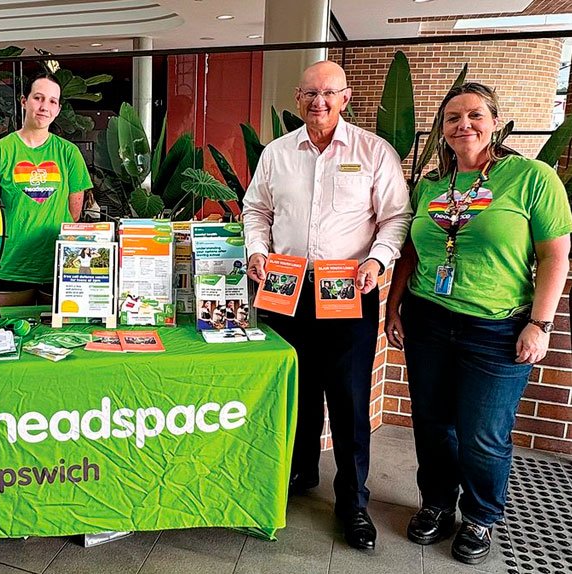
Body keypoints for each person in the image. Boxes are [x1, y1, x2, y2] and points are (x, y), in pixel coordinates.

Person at [385, 82, 572, 565]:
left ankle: (482, 516)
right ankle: (438, 505)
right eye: (452, 118)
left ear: (494, 121)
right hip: (428, 319)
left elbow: (555, 256)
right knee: (431, 423)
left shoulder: (531, 178)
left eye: (473, 115)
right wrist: (393, 308)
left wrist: (541, 324)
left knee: (483, 433)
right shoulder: (430, 185)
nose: (463, 125)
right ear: (442, 129)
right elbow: (410, 252)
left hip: (496, 328)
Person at [243, 60, 412, 551]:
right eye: (310, 94)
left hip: (350, 290)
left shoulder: (373, 151)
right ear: (298, 99)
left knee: (349, 397)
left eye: (329, 93)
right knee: (297, 388)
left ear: (346, 97)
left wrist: (378, 263)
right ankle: (301, 474)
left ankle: (353, 502)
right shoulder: (277, 154)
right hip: (287, 290)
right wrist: (257, 250)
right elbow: (257, 210)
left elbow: (395, 218)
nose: (319, 102)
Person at [0, 72, 93, 306]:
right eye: (38, 98)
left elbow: (74, 213)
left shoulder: (68, 153)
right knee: (13, 334)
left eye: (52, 101)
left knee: (53, 338)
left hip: (59, 263)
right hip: (11, 264)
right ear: (24, 101)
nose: (44, 107)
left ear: (58, 109)